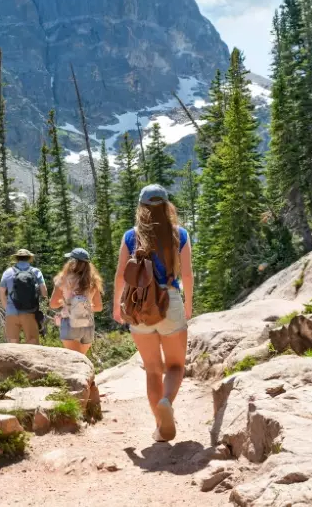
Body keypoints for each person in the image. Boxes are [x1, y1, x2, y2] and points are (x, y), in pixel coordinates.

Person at [113, 184, 193, 443]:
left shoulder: (130, 236)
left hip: (139, 306)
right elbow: (188, 275)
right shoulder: (179, 234)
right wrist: (188, 305)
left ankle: (160, 427)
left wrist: (117, 307)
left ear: (141, 207)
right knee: (176, 366)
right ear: (167, 206)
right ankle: (166, 401)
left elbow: (120, 276)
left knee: (152, 370)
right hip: (169, 301)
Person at [49, 248, 104, 355]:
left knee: (74, 361)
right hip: (87, 324)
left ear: (72, 262)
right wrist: (83, 306)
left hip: (69, 323)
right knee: (82, 359)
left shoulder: (63, 279)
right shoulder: (93, 281)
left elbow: (53, 304)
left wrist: (67, 303)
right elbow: (98, 307)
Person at [0, 248, 48, 344]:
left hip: (11, 312)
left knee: (12, 344)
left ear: (16, 259)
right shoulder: (36, 271)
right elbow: (44, 292)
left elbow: (2, 294)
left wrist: (8, 309)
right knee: (32, 342)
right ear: (30, 258)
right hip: (29, 312)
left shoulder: (7, 272)